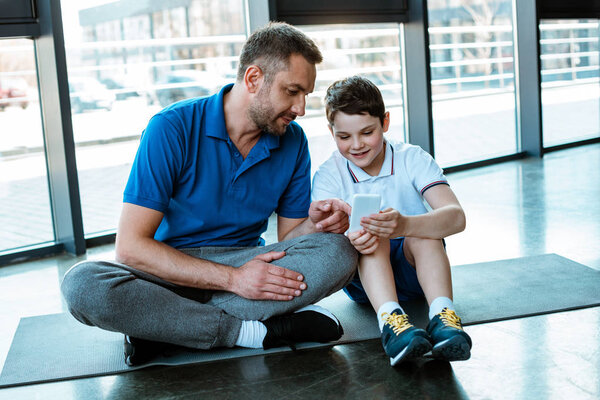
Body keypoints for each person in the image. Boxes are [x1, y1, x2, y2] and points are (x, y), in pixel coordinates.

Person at [61, 22, 358, 366]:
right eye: (292, 91)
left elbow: (290, 238)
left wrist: (316, 226)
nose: (301, 108)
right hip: (169, 272)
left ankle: (163, 326)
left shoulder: (293, 141)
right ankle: (253, 333)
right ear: (253, 79)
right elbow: (130, 248)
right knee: (82, 285)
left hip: (247, 260)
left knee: (339, 250)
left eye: (306, 94)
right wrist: (234, 281)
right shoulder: (171, 127)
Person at [311, 76, 472, 366]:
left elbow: (456, 217)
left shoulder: (413, 158)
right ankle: (391, 323)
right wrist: (343, 232)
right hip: (365, 280)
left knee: (425, 229)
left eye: (367, 132)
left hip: (416, 273)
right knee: (373, 236)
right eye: (344, 137)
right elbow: (324, 242)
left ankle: (443, 317)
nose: (357, 145)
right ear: (331, 131)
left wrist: (405, 225)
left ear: (385, 122)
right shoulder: (328, 174)